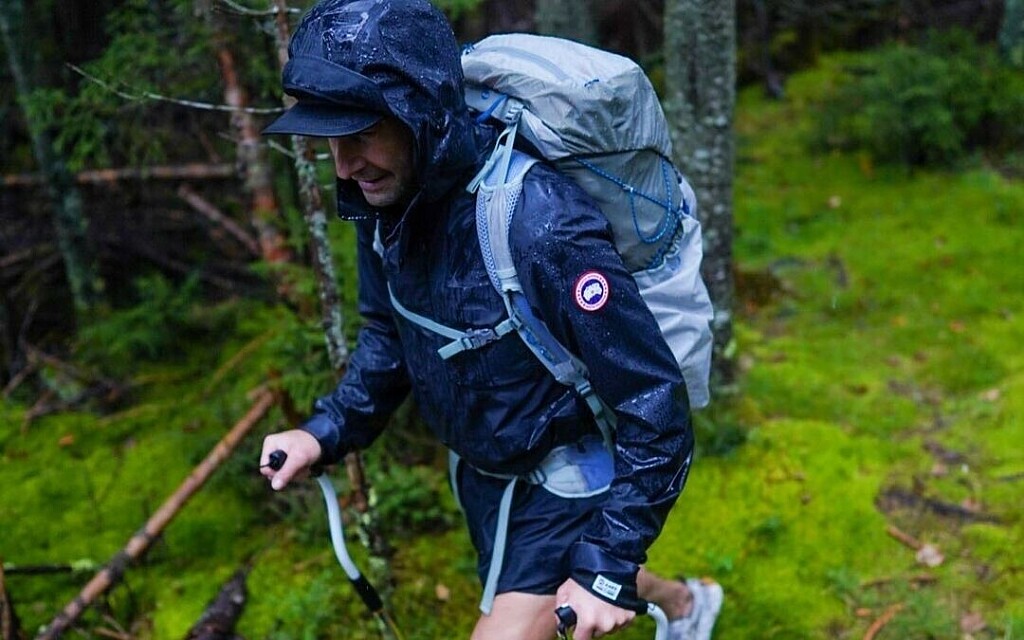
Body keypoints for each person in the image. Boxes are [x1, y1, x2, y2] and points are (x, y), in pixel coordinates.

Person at [259, 1, 722, 638]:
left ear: (419, 114)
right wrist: (325, 431)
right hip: (487, 472)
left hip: (568, 476)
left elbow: (654, 400)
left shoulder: (540, 222)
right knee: (562, 579)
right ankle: (687, 605)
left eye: (360, 134)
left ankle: (626, 579)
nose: (343, 165)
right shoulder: (387, 204)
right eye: (330, 141)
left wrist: (612, 560)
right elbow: (390, 333)